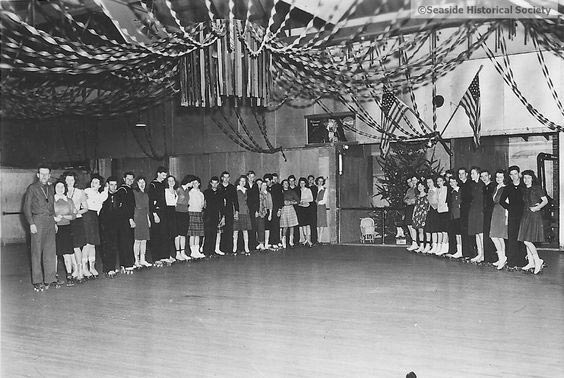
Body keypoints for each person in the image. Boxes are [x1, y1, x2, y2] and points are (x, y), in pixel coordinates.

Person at [24, 166, 57, 291]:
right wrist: (31, 223)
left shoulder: (51, 188)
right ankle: (37, 281)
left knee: (50, 251)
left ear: (49, 175)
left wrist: (54, 222)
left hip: (49, 221)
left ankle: (50, 278)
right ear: (38, 175)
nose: (44, 176)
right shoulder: (32, 188)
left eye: (46, 174)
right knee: (36, 251)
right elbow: (26, 207)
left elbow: (52, 205)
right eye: (42, 174)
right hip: (37, 221)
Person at [518, 170, 548, 274]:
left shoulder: (537, 188)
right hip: (525, 215)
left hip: (534, 216)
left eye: (528, 178)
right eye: (524, 178)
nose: (526, 180)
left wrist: (537, 208)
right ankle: (531, 262)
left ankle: (538, 261)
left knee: (527, 240)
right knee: (525, 239)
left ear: (532, 178)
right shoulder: (524, 189)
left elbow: (545, 201)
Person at [500, 166, 527, 269]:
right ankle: (511, 262)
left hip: (524, 215)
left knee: (522, 238)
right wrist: (510, 208)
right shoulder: (508, 187)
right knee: (512, 238)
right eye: (511, 174)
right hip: (513, 216)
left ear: (519, 174)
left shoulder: (524, 186)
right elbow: (502, 201)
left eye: (515, 174)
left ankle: (522, 262)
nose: (513, 176)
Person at [63, 171, 88, 281]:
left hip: (76, 221)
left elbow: (85, 208)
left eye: (72, 180)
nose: (69, 182)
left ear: (75, 181)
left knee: (76, 246)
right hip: (65, 221)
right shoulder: (61, 191)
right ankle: (74, 270)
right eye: (67, 180)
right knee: (69, 246)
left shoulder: (80, 192)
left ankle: (80, 270)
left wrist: (77, 212)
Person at [98, 176, 124, 277]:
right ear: (107, 185)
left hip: (115, 225)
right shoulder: (103, 195)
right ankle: (108, 269)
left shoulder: (118, 195)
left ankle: (112, 267)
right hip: (105, 225)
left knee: (114, 246)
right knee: (106, 247)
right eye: (111, 184)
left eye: (115, 185)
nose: (113, 187)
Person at [83, 174, 108, 278]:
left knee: (92, 244)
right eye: (93, 182)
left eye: (96, 183)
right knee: (86, 244)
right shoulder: (87, 191)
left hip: (94, 218)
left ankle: (92, 267)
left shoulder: (100, 194)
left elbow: (103, 197)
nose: (94, 184)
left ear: (99, 185)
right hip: (86, 216)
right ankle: (84, 268)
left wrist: (106, 188)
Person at [53, 180, 77, 286]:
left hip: (66, 228)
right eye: (58, 187)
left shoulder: (69, 200)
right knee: (54, 253)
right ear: (54, 188)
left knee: (67, 253)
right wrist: (54, 219)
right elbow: (48, 214)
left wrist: (63, 217)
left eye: (62, 187)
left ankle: (69, 275)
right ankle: (54, 276)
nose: (60, 189)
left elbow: (74, 215)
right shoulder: (50, 200)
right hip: (54, 229)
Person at [148, 167, 168, 266]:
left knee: (163, 235)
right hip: (156, 213)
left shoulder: (163, 184)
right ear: (158, 174)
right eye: (163, 175)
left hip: (164, 212)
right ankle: (156, 258)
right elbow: (151, 201)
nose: (165, 177)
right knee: (155, 236)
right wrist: (155, 214)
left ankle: (163, 256)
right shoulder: (152, 185)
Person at [116, 172, 136, 272]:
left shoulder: (129, 189)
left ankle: (126, 263)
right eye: (128, 179)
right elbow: (123, 206)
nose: (130, 181)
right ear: (124, 179)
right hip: (124, 220)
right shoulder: (122, 190)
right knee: (125, 242)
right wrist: (130, 219)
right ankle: (126, 264)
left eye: (132, 179)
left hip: (128, 219)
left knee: (128, 241)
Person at [489, 170, 508, 270]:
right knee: (494, 236)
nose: (498, 179)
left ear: (504, 178)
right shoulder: (496, 187)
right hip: (495, 212)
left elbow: (507, 203)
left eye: (500, 177)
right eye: (497, 177)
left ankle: (502, 258)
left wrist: (506, 217)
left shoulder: (506, 188)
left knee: (499, 237)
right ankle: (502, 257)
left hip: (502, 212)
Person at [133, 176, 152, 268]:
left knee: (144, 240)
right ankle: (136, 260)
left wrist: (148, 219)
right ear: (136, 183)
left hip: (144, 216)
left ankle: (142, 259)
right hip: (137, 216)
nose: (142, 184)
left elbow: (147, 208)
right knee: (137, 240)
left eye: (143, 182)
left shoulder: (146, 194)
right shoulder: (134, 192)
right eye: (140, 182)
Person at [203, 176, 224, 256]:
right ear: (210, 183)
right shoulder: (206, 192)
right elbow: (204, 204)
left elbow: (222, 205)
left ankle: (212, 251)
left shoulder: (220, 193)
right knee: (207, 233)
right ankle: (206, 251)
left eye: (216, 183)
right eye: (213, 183)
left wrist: (222, 216)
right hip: (208, 215)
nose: (214, 185)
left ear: (218, 183)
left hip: (216, 215)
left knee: (214, 233)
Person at [468, 167, 485, 263]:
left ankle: (483, 254)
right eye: (471, 174)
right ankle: (479, 254)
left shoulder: (481, 185)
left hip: (480, 211)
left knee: (481, 234)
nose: (471, 175)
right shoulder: (472, 185)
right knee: (476, 234)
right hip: (473, 211)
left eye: (473, 173)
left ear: (478, 174)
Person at [175, 175, 193, 261]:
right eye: (192, 182)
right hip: (178, 213)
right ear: (188, 181)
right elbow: (175, 202)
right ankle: (177, 253)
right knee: (178, 234)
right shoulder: (179, 189)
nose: (193, 184)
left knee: (183, 234)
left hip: (185, 213)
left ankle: (183, 252)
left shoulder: (187, 191)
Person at [220, 171, 238, 254]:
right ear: (222, 178)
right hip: (220, 211)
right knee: (221, 230)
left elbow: (235, 200)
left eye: (228, 177)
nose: (226, 179)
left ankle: (229, 248)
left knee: (229, 229)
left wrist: (236, 211)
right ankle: (221, 248)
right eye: (225, 177)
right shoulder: (219, 187)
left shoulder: (232, 187)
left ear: (229, 178)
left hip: (229, 211)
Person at [187, 176, 206, 258]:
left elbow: (202, 204)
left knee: (197, 234)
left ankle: (196, 251)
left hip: (199, 213)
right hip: (191, 213)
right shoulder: (189, 193)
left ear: (199, 184)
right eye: (193, 183)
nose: (195, 184)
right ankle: (192, 252)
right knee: (192, 234)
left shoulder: (201, 194)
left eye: (196, 183)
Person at [481, 170, 497, 263]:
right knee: (486, 234)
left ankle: (494, 257)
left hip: (493, 213)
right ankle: (488, 258)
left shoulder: (493, 186)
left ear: (489, 176)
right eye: (482, 176)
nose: (484, 178)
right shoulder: (483, 187)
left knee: (493, 235)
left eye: (485, 176)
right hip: (485, 213)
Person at [233, 175, 252, 254]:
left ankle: (246, 247)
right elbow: (234, 202)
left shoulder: (246, 190)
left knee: (245, 230)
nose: (243, 182)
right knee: (236, 231)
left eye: (244, 181)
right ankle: (234, 248)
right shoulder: (235, 190)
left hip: (245, 212)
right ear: (238, 181)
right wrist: (235, 212)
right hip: (238, 212)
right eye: (241, 181)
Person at [458, 167, 474, 259]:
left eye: (462, 173)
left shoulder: (470, 184)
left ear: (466, 174)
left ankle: (471, 253)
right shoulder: (460, 185)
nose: (461, 176)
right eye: (459, 174)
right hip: (463, 210)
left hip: (469, 210)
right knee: (463, 231)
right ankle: (465, 253)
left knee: (469, 231)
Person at [446, 176, 463, 258]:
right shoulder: (452, 192)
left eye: (453, 181)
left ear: (457, 182)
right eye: (450, 182)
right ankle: (457, 250)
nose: (451, 183)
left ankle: (460, 251)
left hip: (459, 215)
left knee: (459, 234)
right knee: (456, 234)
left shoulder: (460, 190)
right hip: (453, 215)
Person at [280, 179, 299, 249]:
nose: (286, 184)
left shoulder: (292, 191)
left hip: (291, 208)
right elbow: (278, 201)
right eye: (284, 183)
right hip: (283, 209)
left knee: (292, 225)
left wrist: (291, 202)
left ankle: (291, 241)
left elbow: (298, 200)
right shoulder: (280, 192)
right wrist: (283, 203)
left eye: (287, 183)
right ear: (282, 184)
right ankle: (283, 241)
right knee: (285, 226)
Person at [164, 175, 179, 263]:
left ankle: (170, 254)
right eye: (169, 181)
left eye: (172, 180)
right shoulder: (165, 191)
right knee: (167, 235)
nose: (171, 182)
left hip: (174, 212)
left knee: (172, 235)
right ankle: (166, 255)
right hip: (167, 212)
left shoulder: (176, 191)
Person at [412, 182, 430, 253]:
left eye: (421, 186)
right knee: (420, 231)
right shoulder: (417, 196)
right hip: (418, 214)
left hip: (424, 214)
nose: (420, 187)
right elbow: (415, 206)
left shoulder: (427, 195)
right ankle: (421, 245)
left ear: (424, 187)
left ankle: (427, 245)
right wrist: (413, 215)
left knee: (425, 230)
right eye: (418, 186)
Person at [267, 173, 283, 248]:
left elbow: (280, 199)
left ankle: (277, 241)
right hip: (269, 209)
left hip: (276, 209)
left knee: (276, 225)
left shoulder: (278, 187)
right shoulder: (266, 188)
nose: (274, 180)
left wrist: (279, 209)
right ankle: (271, 241)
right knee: (270, 226)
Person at [297, 177, 314, 247]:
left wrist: (304, 200)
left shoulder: (308, 190)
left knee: (308, 225)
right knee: (303, 224)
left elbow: (311, 199)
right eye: (301, 183)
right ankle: (305, 240)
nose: (302, 184)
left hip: (307, 209)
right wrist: (300, 202)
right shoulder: (298, 190)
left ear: (305, 183)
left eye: (303, 183)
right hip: (301, 209)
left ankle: (309, 240)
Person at [256, 180, 273, 250]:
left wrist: (270, 215)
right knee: (260, 228)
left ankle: (266, 243)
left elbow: (270, 205)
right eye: (263, 185)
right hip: (259, 212)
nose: (264, 187)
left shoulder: (268, 194)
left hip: (267, 212)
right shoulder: (258, 193)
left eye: (266, 185)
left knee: (266, 228)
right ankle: (260, 243)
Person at [435, 176, 449, 255]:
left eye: (440, 181)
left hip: (445, 211)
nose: (439, 182)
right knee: (441, 229)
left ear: (444, 181)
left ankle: (445, 247)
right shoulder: (438, 190)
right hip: (439, 211)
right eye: (437, 181)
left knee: (445, 230)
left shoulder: (446, 189)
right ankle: (440, 247)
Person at [425, 177, 439, 254]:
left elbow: (436, 201)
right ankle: (429, 245)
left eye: (430, 182)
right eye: (427, 183)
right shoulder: (429, 191)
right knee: (428, 228)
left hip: (435, 210)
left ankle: (435, 245)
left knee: (434, 229)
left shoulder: (436, 190)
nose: (428, 184)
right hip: (430, 210)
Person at [404, 176, 419, 251]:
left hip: (416, 207)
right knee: (409, 225)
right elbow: (405, 198)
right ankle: (414, 242)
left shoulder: (418, 188)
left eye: (413, 180)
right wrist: (408, 201)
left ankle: (417, 242)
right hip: (409, 207)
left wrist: (413, 200)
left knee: (414, 226)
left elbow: (419, 198)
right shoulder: (409, 190)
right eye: (409, 182)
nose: (411, 183)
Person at [246, 170, 259, 250]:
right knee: (246, 227)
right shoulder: (244, 185)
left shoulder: (255, 186)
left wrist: (257, 210)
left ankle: (253, 245)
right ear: (247, 177)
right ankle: (245, 245)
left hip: (253, 209)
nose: (251, 178)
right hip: (246, 209)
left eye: (253, 177)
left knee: (253, 227)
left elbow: (257, 199)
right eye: (250, 177)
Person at [315, 176, 328, 244]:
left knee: (321, 223)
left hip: (321, 207)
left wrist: (317, 202)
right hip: (315, 208)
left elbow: (324, 200)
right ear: (317, 181)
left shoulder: (325, 189)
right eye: (319, 181)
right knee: (316, 223)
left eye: (321, 181)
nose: (320, 182)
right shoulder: (315, 188)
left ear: (323, 182)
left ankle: (320, 239)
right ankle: (317, 239)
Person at [308, 175, 319, 244]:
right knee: (306, 224)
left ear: (313, 180)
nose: (310, 181)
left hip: (313, 207)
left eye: (312, 179)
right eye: (309, 179)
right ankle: (307, 239)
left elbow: (314, 198)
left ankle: (314, 240)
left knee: (313, 224)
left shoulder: (315, 188)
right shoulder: (305, 187)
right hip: (306, 207)